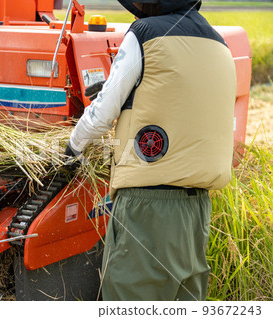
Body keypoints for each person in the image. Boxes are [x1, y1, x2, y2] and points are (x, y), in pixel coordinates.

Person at [64, 0, 236, 301]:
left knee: (131, 298)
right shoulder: (219, 44)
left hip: (147, 205)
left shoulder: (144, 33)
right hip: (197, 209)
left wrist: (72, 147)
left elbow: (104, 111)